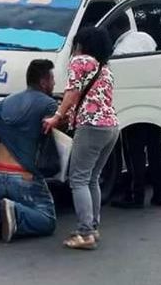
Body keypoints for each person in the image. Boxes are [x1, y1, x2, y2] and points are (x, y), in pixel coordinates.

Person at [43, 27, 119, 250]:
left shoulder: (81, 61)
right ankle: (92, 227)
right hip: (111, 127)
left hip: (92, 126)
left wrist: (57, 116)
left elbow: (73, 92)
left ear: (82, 44)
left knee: (78, 179)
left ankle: (84, 233)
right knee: (92, 178)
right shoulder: (105, 69)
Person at [0, 60, 59, 243]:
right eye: (52, 79)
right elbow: (59, 129)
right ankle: (15, 212)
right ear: (44, 81)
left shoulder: (7, 100)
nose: (54, 83)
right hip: (24, 176)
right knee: (47, 219)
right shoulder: (49, 104)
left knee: (2, 203)